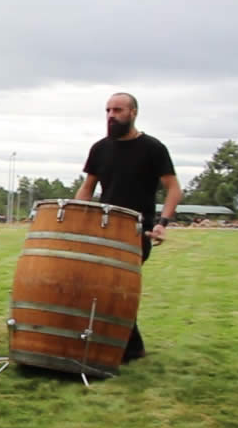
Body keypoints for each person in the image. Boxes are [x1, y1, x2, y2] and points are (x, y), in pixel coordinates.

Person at [75, 92, 182, 361]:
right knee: (104, 288)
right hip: (102, 230)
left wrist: (163, 223)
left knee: (115, 289)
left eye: (118, 110)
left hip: (137, 231)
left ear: (133, 113)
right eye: (108, 110)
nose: (111, 115)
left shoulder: (153, 148)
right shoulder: (100, 148)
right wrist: (75, 219)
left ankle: (124, 347)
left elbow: (173, 188)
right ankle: (129, 347)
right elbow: (87, 189)